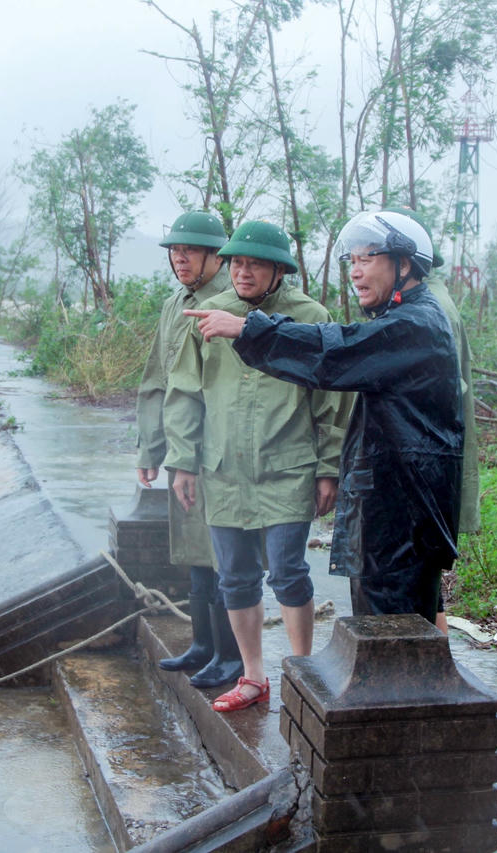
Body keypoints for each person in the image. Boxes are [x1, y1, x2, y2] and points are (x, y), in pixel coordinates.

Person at [185, 210, 463, 624]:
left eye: (367, 258)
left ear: (404, 264)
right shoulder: (406, 318)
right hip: (395, 501)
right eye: (351, 261)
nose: (356, 272)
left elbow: (334, 349)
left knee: (392, 624)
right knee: (397, 616)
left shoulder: (414, 324)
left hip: (404, 507)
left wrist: (249, 330)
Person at [163, 220, 349, 712]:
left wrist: (328, 467)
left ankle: (303, 671)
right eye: (237, 263)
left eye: (255, 263)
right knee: (235, 576)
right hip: (222, 466)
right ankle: (253, 676)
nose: (243, 272)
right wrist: (183, 461)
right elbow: (184, 392)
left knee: (288, 571)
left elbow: (331, 400)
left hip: (288, 465)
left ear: (278, 270)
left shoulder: (310, 317)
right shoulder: (209, 315)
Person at [135, 210, 243, 689]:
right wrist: (150, 448)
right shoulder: (174, 303)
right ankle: (204, 644)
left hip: (219, 446)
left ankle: (231, 654)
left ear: (215, 255)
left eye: (190, 251)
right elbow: (157, 380)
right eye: (175, 251)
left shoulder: (231, 303)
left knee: (226, 554)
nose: (180, 258)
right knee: (196, 551)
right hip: (184, 444)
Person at [384, 206, 480, 633]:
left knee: (420, 591)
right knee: (427, 589)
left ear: (405, 263)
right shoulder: (422, 301)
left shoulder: (427, 310)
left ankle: (437, 675)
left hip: (421, 468)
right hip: (425, 466)